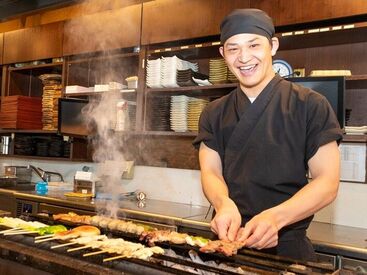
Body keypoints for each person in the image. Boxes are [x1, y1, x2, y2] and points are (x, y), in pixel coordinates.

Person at [193, 9, 343, 261]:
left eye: (253, 45)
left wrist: (276, 218)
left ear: (272, 46)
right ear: (223, 55)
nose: (244, 57)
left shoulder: (310, 105)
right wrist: (223, 204)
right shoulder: (214, 112)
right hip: (227, 243)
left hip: (286, 248)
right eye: (233, 49)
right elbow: (211, 171)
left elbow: (327, 182)